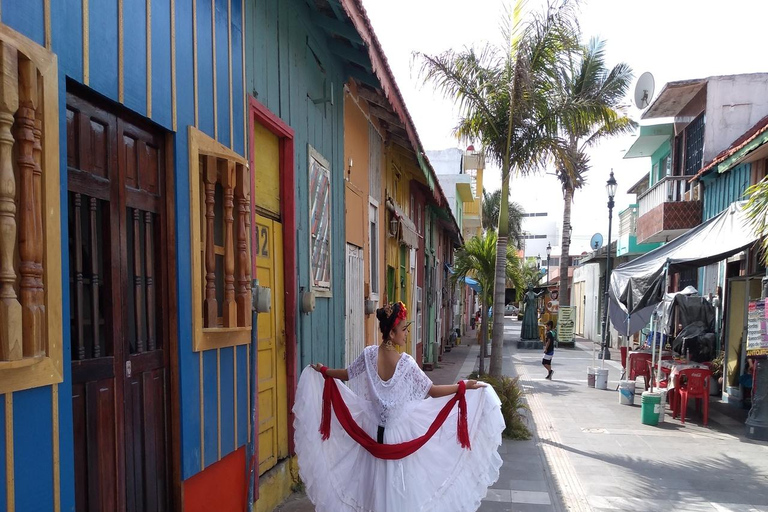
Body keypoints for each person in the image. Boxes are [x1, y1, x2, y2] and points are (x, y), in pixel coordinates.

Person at [293, 301, 505, 512]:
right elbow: (432, 391)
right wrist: (462, 386)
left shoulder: (368, 355)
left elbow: (347, 374)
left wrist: (325, 371)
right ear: (392, 334)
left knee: (375, 485)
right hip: (397, 433)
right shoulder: (406, 363)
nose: (407, 333)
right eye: (403, 329)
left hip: (373, 431)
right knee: (397, 488)